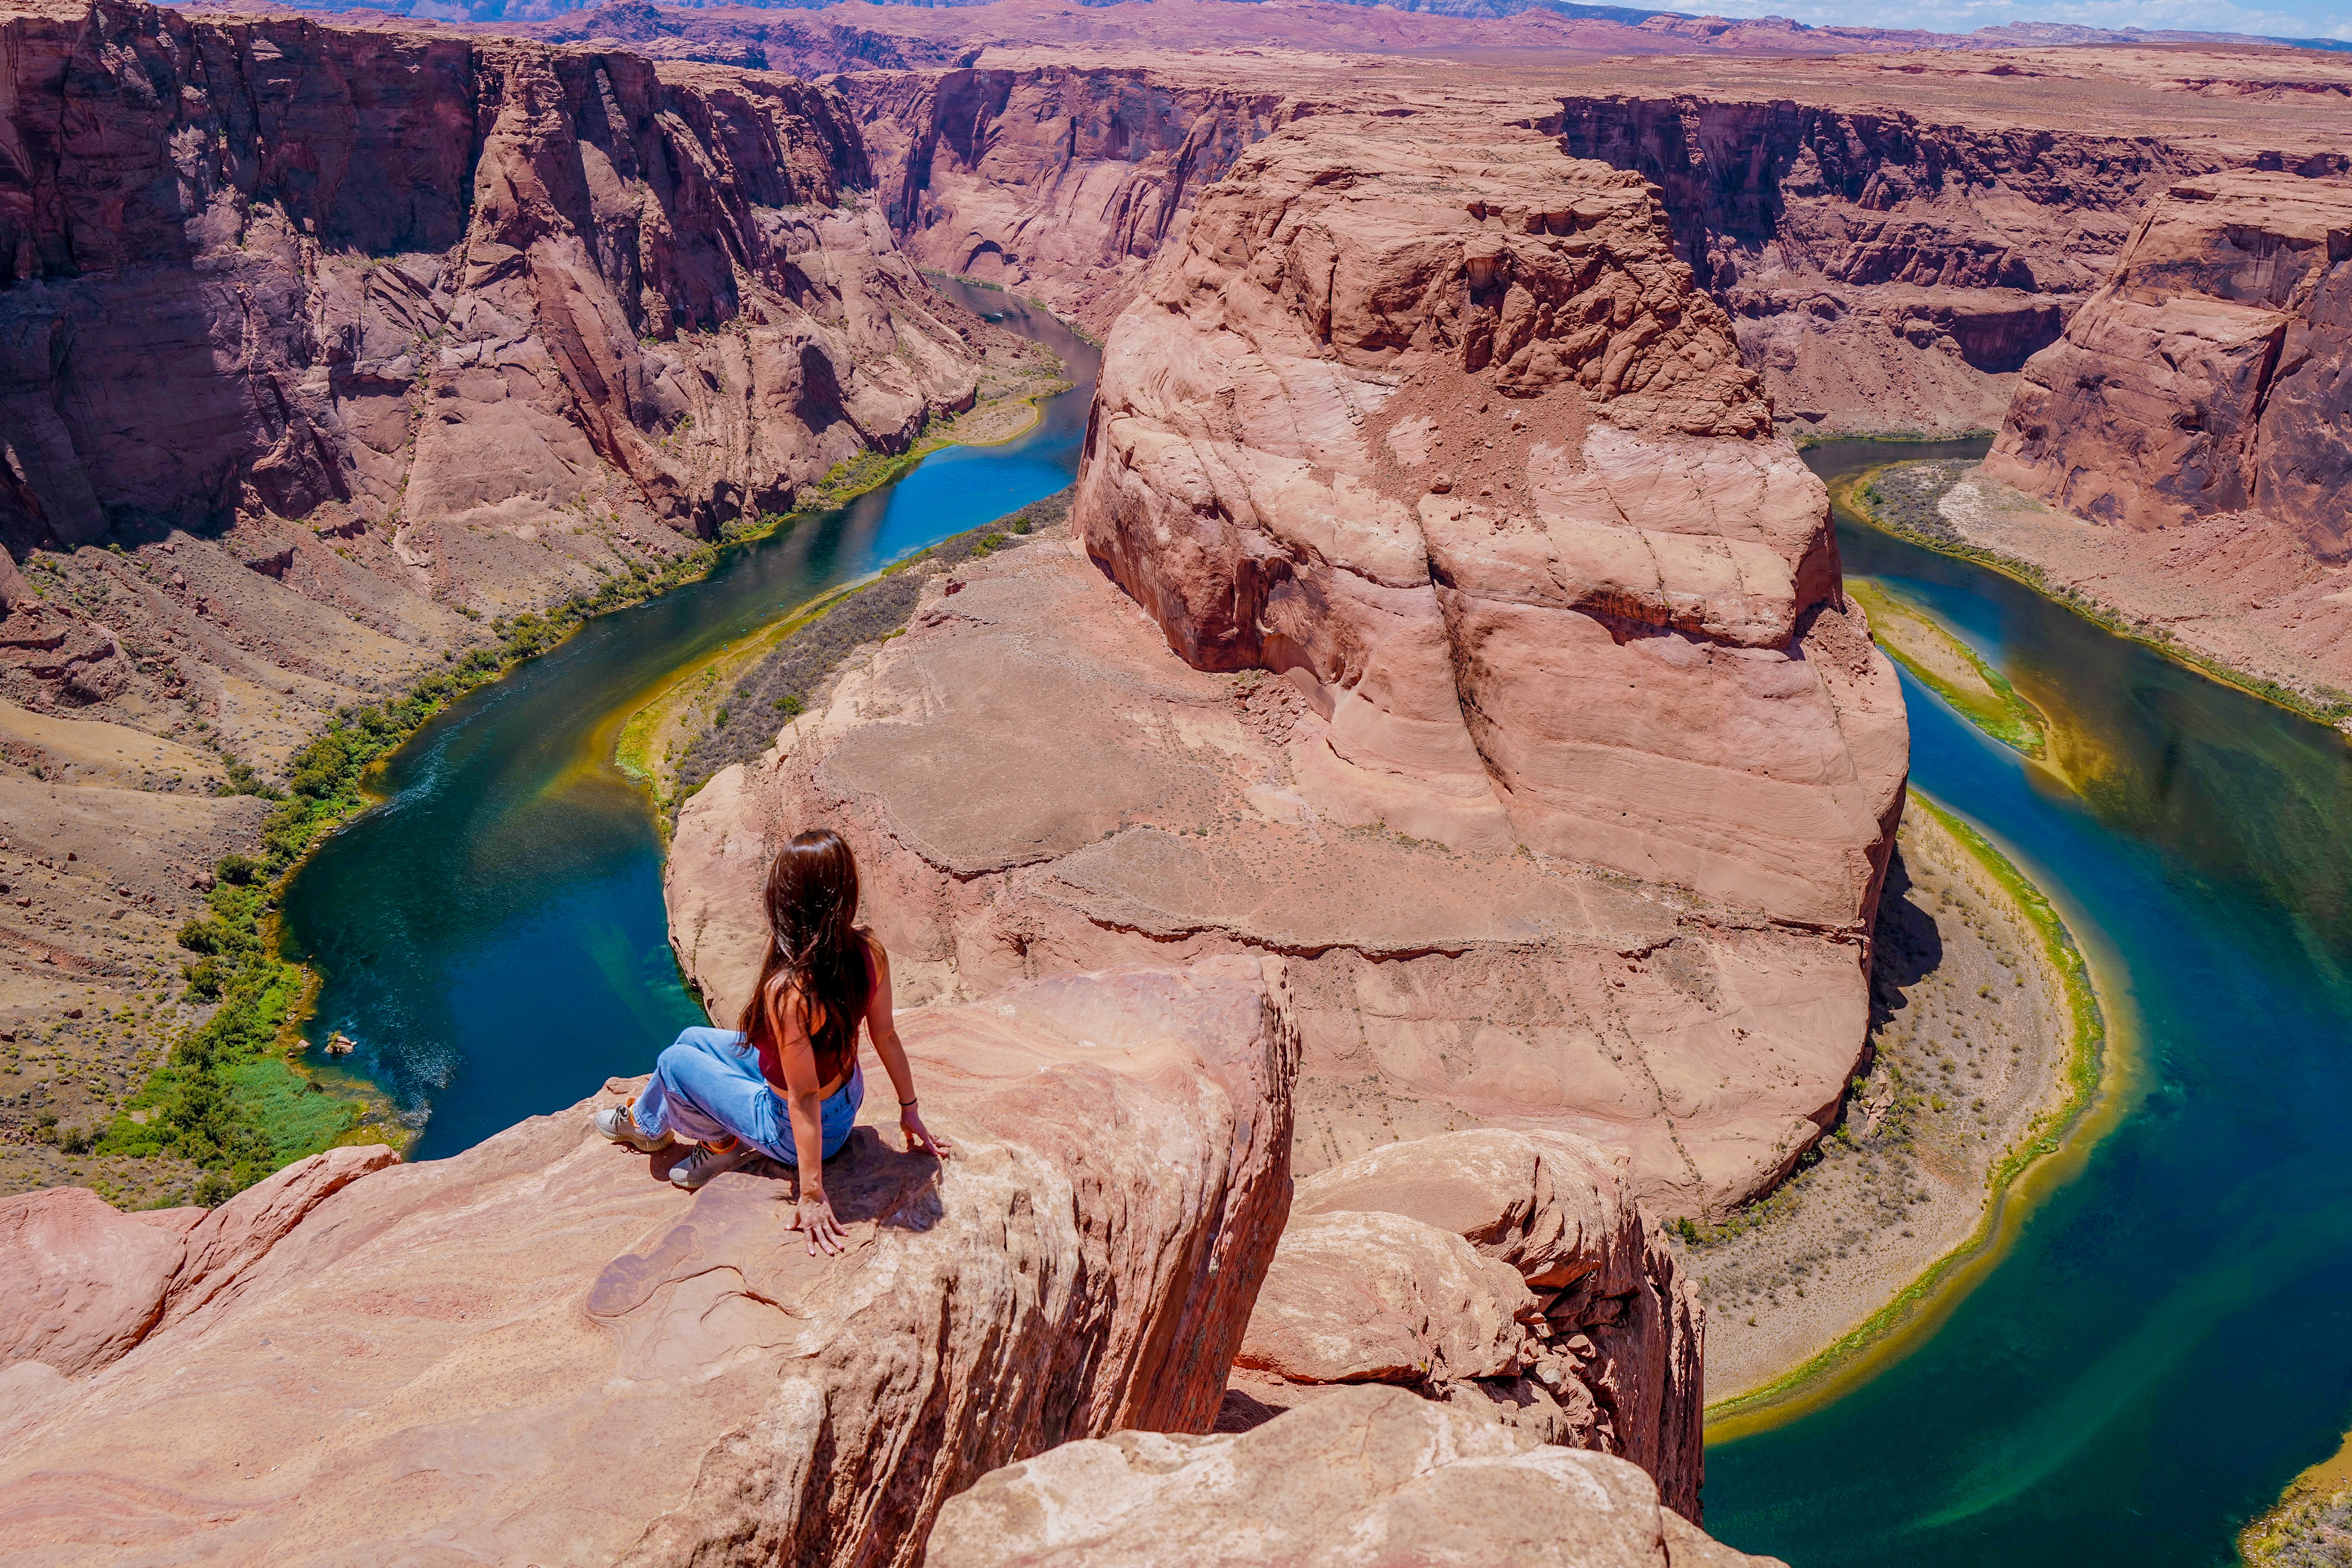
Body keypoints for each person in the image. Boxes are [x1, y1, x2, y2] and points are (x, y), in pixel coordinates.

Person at [593, 828, 950, 1255]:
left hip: (788, 1124)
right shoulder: (868, 948)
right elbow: (886, 1034)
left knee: (673, 1061)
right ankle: (648, 1124)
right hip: (846, 1097)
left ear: (787, 901)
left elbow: (801, 1098)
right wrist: (909, 1111)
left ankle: (718, 1145)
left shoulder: (790, 991)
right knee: (691, 1037)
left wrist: (813, 1192)